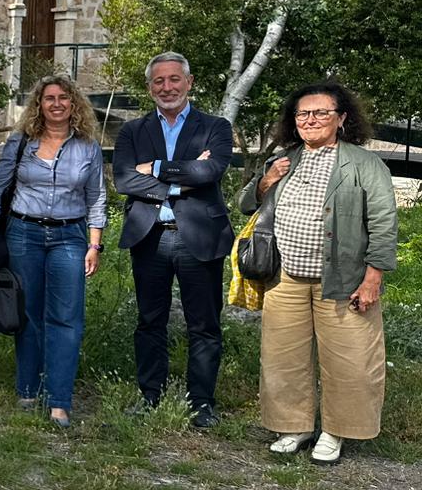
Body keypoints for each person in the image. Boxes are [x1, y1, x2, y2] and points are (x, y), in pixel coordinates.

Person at [242, 84, 397, 465]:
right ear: (293, 122)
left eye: (321, 113)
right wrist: (266, 181)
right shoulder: (284, 158)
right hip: (285, 277)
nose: (310, 120)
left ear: (342, 118)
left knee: (351, 360)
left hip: (344, 280)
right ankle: (293, 427)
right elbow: (246, 202)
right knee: (283, 357)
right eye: (303, 115)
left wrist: (373, 277)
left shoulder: (364, 164)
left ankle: (335, 431)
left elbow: (383, 222)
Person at [112, 51, 234, 428]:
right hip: (151, 237)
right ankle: (150, 396)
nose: (167, 87)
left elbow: (210, 171)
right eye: (159, 81)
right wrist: (183, 180)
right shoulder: (134, 131)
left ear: (189, 82)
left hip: (198, 236)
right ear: (150, 88)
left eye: (174, 79)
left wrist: (159, 170)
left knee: (204, 324)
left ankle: (201, 403)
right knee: (150, 321)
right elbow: (124, 180)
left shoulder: (215, 126)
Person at [0, 74, 107, 427]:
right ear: (38, 104)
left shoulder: (87, 147)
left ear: (74, 104)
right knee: (27, 314)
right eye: (49, 98)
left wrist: (94, 244)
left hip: (70, 236)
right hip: (23, 234)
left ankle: (59, 400)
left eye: (63, 98)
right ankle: (27, 390)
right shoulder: (21, 142)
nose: (56, 104)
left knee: (66, 318)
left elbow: (96, 197)